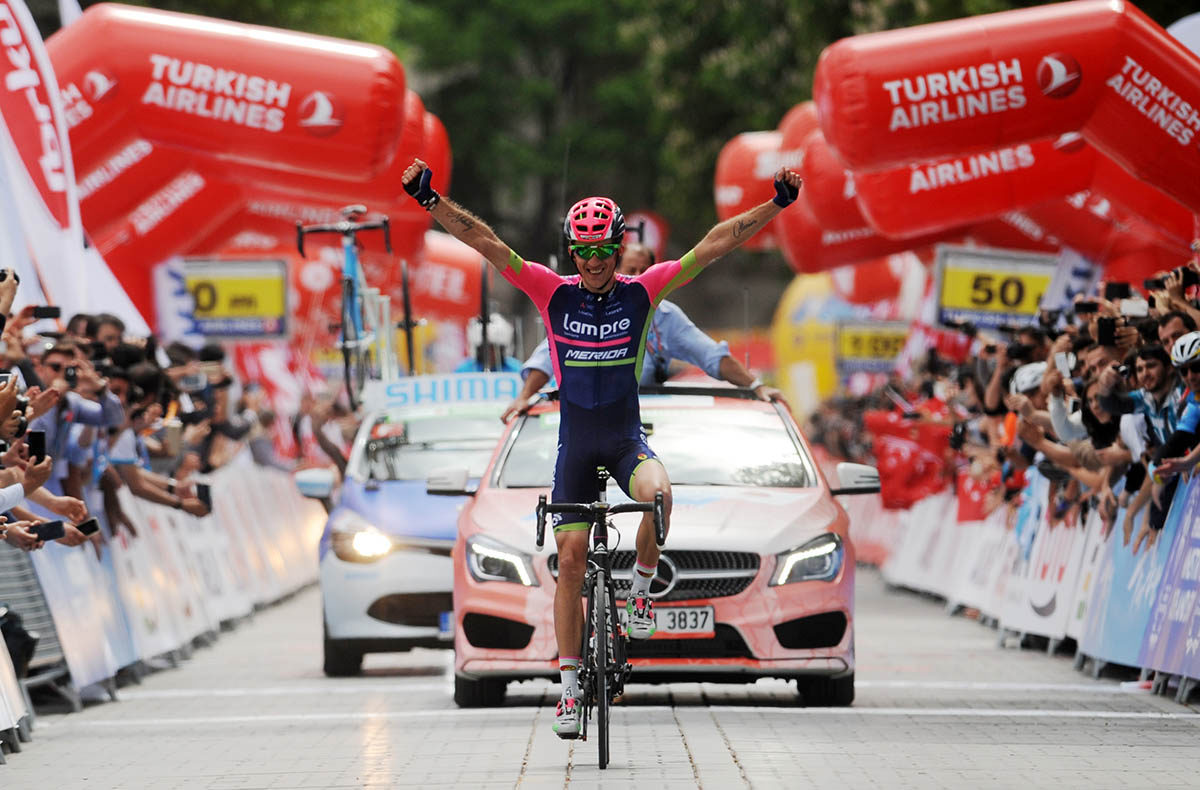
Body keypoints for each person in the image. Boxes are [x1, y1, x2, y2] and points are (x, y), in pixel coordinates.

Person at [402, 156, 802, 738]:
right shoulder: (550, 292)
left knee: (659, 495)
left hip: (622, 441)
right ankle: (567, 691)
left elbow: (715, 244)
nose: (592, 262)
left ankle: (639, 593)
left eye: (602, 250)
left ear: (618, 248)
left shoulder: (645, 293)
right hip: (575, 449)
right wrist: (430, 199)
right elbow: (484, 241)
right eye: (582, 251)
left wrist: (777, 204)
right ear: (571, 251)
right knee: (568, 561)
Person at [501, 242, 787, 421]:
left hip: (641, 419)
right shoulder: (576, 307)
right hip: (586, 420)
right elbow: (548, 357)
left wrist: (755, 385)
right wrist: (526, 395)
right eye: (630, 270)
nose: (637, 278)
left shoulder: (665, 318)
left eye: (644, 271)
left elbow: (710, 355)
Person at [455, 314, 522, 373]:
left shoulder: (516, 369)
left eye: (494, 348)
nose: (490, 353)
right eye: (484, 348)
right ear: (478, 349)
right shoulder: (463, 370)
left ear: (503, 349)